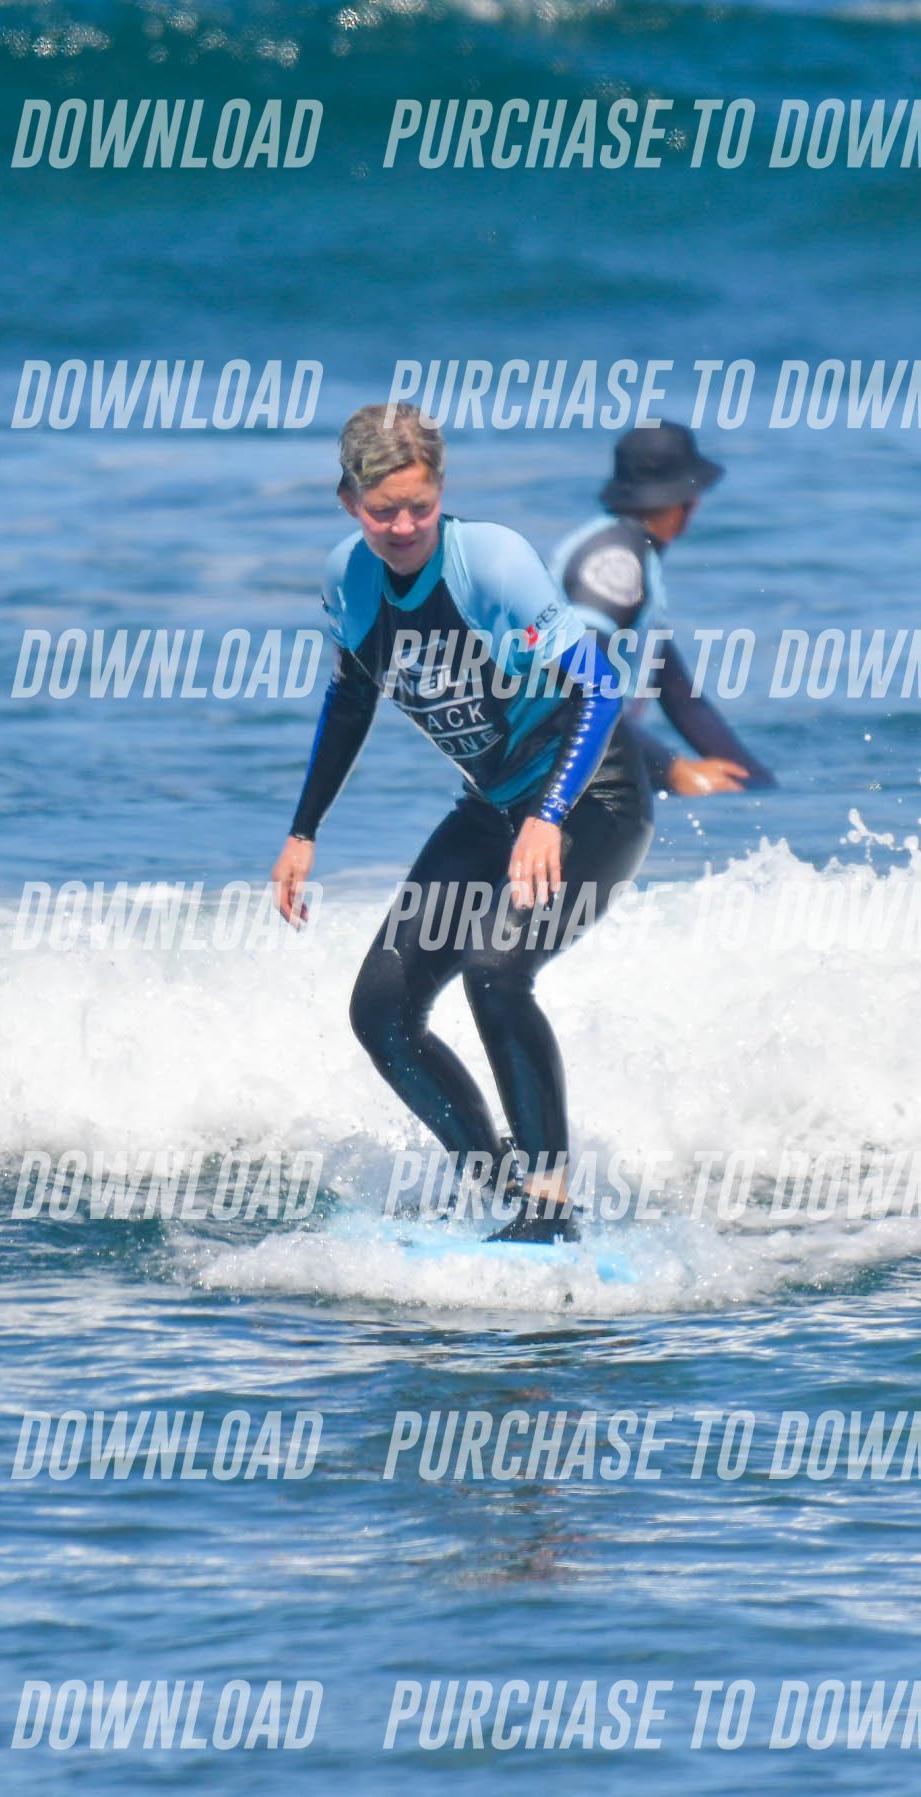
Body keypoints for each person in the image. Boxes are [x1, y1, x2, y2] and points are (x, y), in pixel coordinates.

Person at [271, 404, 649, 1243]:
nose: (404, 525)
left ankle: (548, 1208)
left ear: (441, 491)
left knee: (496, 968)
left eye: (421, 504)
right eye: (384, 510)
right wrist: (304, 831)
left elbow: (599, 687)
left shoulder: (494, 563)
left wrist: (549, 813)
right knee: (381, 1010)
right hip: (493, 808)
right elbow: (351, 698)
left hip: (594, 797)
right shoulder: (348, 580)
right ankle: (493, 1184)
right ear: (349, 501)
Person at [548, 421, 777, 797]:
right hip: (558, 786)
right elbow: (575, 687)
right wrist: (674, 771)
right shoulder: (616, 560)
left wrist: (761, 787)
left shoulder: (632, 554)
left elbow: (681, 699)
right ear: (686, 503)